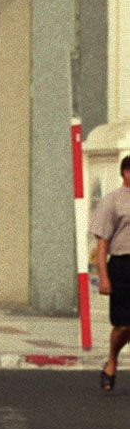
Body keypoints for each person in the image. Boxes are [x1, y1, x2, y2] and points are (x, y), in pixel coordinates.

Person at [92, 154, 130, 392]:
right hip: (122, 265)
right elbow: (102, 244)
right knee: (124, 326)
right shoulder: (113, 201)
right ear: (126, 173)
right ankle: (112, 359)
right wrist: (104, 277)